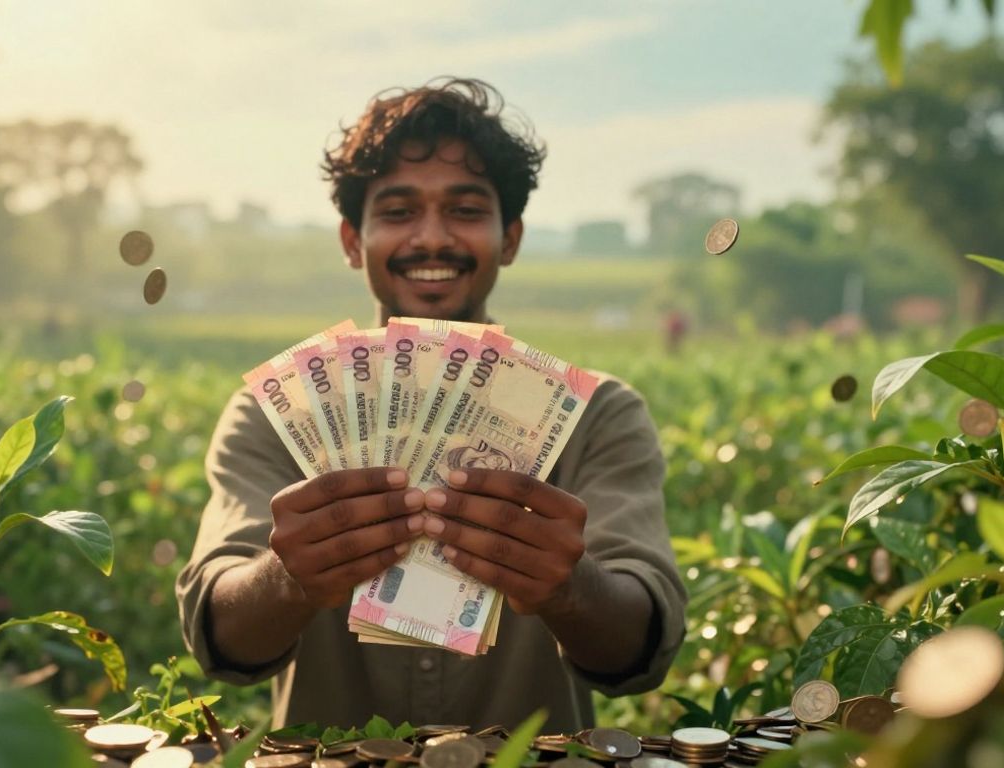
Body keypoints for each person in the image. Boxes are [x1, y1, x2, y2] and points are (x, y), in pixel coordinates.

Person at [177, 78, 686, 731]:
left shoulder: (599, 416)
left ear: (510, 238)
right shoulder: (275, 413)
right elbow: (218, 635)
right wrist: (286, 576)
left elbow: (641, 646)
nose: (432, 238)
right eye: (397, 211)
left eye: (467, 210)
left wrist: (570, 587)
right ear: (352, 241)